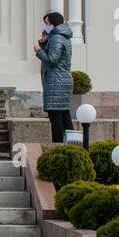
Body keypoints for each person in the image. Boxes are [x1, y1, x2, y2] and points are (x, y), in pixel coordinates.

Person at [36, 11, 74, 143]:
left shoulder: (57, 38)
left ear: (53, 23)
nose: (45, 26)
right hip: (60, 80)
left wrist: (38, 50)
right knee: (64, 116)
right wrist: (44, 43)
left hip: (56, 82)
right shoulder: (62, 37)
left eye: (47, 23)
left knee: (56, 118)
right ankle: (72, 145)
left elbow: (52, 60)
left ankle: (58, 147)